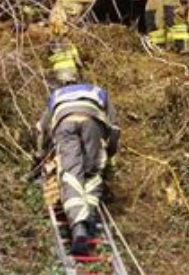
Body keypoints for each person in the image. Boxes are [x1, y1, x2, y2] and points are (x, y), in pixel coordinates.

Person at [35, 81, 121, 257]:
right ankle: (88, 218)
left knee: (71, 174)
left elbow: (41, 128)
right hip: (92, 122)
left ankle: (78, 227)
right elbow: (114, 128)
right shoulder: (97, 91)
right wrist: (109, 153)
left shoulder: (57, 95)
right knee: (92, 172)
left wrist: (41, 155)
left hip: (64, 124)